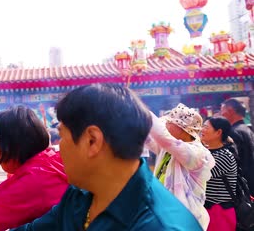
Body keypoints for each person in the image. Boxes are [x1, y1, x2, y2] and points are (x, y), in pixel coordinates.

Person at [12, 84, 202, 231]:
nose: (57, 147)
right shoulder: (80, 196)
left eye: (61, 136)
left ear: (92, 140)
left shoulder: (160, 225)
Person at [146, 103, 215, 230]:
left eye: (169, 123)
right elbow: (149, 138)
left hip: (186, 221)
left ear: (181, 128)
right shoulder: (168, 149)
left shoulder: (197, 154)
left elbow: (164, 138)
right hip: (165, 216)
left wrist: (141, 111)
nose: (166, 125)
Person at [201, 116, 237, 231]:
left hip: (219, 211)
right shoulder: (207, 152)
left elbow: (200, 175)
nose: (202, 130)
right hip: (209, 209)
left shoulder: (224, 156)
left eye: (206, 127)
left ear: (218, 132)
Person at [220, 98, 254, 196]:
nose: (221, 115)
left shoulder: (233, 132)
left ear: (230, 111)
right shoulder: (247, 129)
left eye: (222, 112)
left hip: (244, 185)